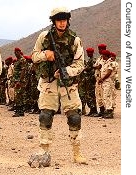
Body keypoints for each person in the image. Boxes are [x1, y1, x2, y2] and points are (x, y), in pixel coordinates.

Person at [29, 7, 87, 167]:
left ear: (68, 20)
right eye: (58, 20)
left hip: (68, 84)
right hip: (49, 83)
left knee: (74, 117)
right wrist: (45, 55)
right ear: (54, 21)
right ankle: (43, 151)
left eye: (64, 20)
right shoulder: (44, 37)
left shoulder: (75, 39)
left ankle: (77, 153)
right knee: (45, 116)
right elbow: (34, 56)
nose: (62, 23)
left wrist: (65, 71)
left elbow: (80, 64)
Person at [78, 48, 98, 116]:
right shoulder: (89, 60)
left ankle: (94, 110)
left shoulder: (93, 60)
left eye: (88, 53)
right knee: (88, 96)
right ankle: (91, 111)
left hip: (91, 80)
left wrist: (83, 68)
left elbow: (89, 69)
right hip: (87, 80)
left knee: (91, 95)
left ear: (91, 53)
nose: (87, 54)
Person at [93, 44, 107, 117]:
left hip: (102, 80)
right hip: (98, 79)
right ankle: (101, 110)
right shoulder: (99, 58)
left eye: (100, 49)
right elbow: (95, 66)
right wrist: (95, 66)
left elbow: (98, 66)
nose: (99, 51)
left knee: (103, 95)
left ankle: (105, 111)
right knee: (98, 95)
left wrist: (95, 66)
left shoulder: (105, 58)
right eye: (99, 49)